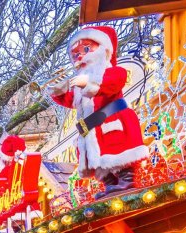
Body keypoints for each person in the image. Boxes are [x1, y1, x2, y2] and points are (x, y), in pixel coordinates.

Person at [48, 26, 148, 195]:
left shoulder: (113, 71)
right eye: (75, 54)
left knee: (119, 153)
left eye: (86, 49)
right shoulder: (80, 82)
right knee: (100, 163)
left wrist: (87, 81)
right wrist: (58, 91)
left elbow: (110, 83)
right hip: (92, 129)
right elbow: (71, 100)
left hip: (113, 122)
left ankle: (126, 180)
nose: (80, 56)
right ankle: (110, 184)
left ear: (103, 49)